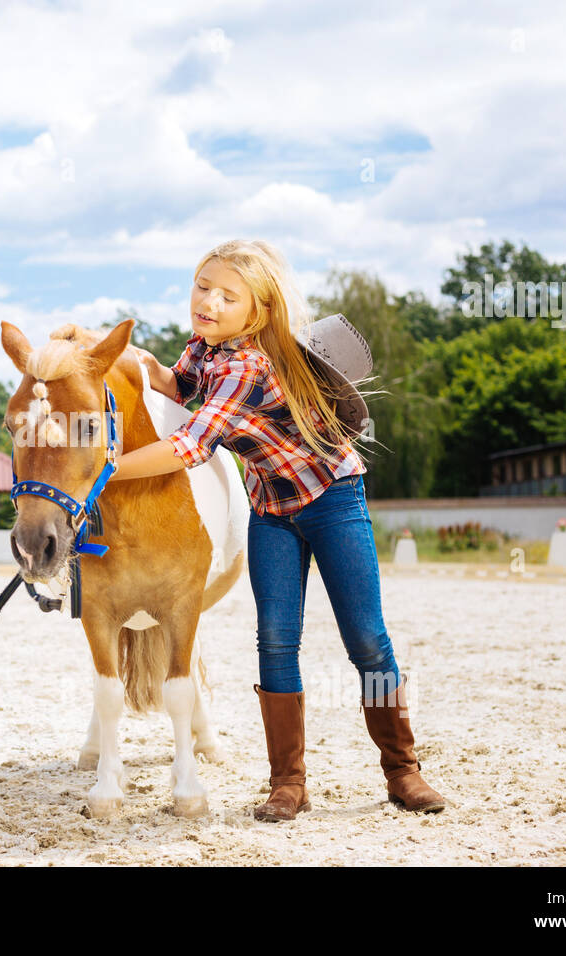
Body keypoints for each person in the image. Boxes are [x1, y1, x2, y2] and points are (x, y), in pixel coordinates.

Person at [112, 239, 446, 820]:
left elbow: (190, 445)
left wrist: (108, 470)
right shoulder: (206, 348)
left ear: (258, 313)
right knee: (275, 639)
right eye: (202, 286)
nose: (208, 301)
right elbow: (183, 387)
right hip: (272, 508)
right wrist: (141, 363)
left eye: (226, 295)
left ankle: (403, 771)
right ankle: (287, 783)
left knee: (366, 638)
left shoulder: (249, 365)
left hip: (331, 498)